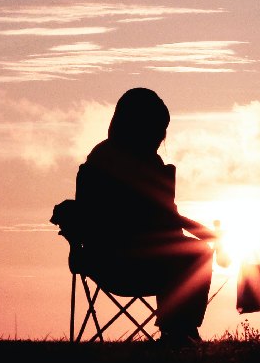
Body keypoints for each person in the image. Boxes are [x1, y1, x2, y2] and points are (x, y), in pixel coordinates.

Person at [74, 87, 216, 345]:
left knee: (189, 253)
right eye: (158, 128)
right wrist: (207, 234)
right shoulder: (123, 163)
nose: (161, 136)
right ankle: (179, 330)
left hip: (103, 260)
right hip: (125, 261)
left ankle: (179, 329)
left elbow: (166, 218)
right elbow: (162, 218)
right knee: (198, 254)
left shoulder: (103, 157)